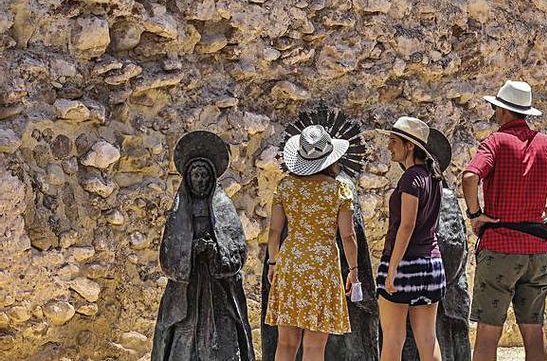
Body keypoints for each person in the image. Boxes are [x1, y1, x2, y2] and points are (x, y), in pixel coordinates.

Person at [462, 80, 547, 361]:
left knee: (488, 332)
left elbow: (470, 176)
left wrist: (475, 215)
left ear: (502, 111)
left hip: (499, 246)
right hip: (537, 250)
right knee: (534, 331)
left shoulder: (495, 142)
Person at [152, 131, 255, 361]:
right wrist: (191, 251)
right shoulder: (179, 212)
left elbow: (236, 250)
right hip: (187, 288)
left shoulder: (223, 207)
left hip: (218, 286)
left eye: (204, 176)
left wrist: (215, 253)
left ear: (211, 178)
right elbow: (169, 255)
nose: (200, 180)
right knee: (184, 341)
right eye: (195, 176)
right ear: (188, 178)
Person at [265, 125, 359, 361]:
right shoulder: (339, 190)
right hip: (322, 266)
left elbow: (275, 231)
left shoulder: (285, 187)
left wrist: (273, 263)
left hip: (290, 263)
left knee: (285, 343)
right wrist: (354, 271)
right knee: (315, 347)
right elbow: (348, 236)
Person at [376, 117, 448, 361]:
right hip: (432, 264)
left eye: (394, 141)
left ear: (410, 146)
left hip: (405, 264)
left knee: (393, 338)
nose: (389, 146)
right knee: (428, 339)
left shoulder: (410, 178)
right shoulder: (433, 177)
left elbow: (406, 225)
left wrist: (392, 268)